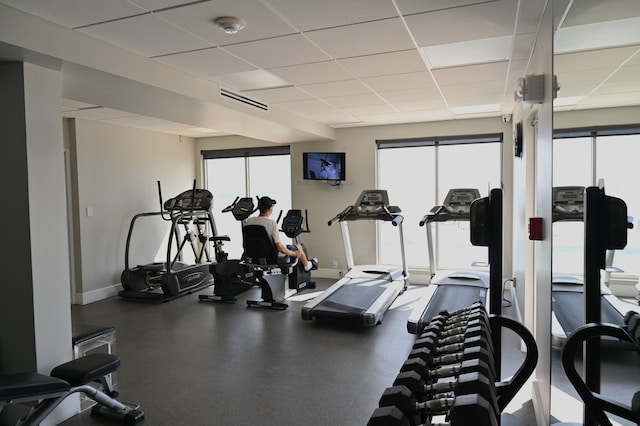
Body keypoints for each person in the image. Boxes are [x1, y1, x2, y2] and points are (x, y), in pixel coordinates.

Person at [244, 196, 317, 272]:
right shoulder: (271, 224)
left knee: (292, 247)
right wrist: (295, 254)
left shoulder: (249, 221)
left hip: (254, 254)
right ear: (270, 209)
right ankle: (307, 266)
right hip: (273, 255)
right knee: (300, 247)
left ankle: (307, 264)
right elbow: (280, 248)